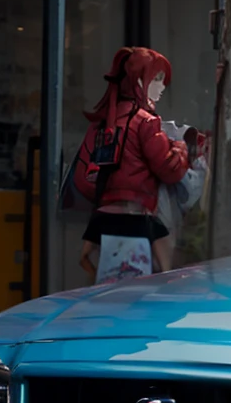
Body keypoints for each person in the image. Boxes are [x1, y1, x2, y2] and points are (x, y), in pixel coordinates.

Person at [74, 46, 196, 281]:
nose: (162, 87)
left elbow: (87, 173)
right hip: (138, 215)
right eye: (157, 79)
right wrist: (180, 151)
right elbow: (168, 169)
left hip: (103, 216)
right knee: (164, 275)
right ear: (140, 81)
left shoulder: (103, 123)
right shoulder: (146, 122)